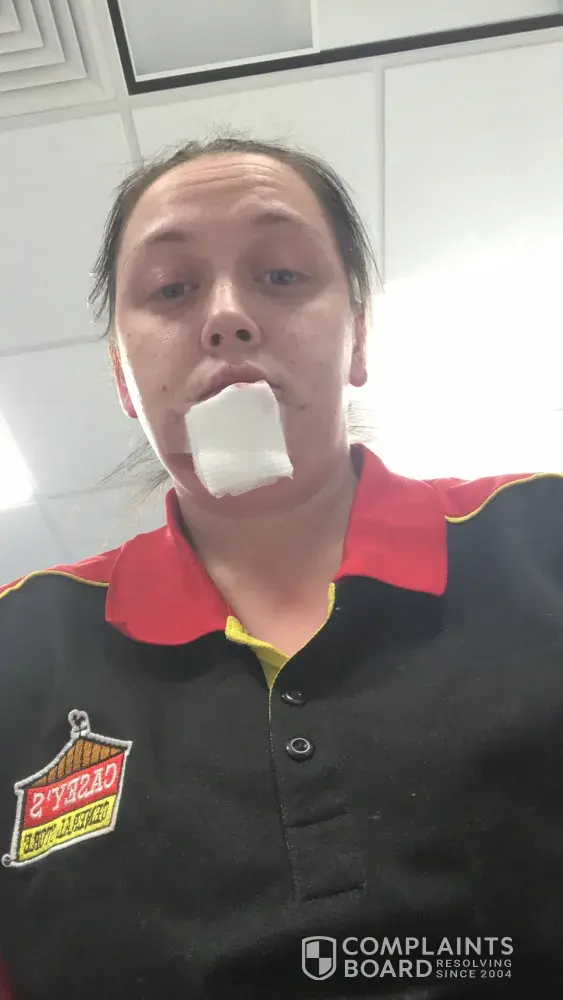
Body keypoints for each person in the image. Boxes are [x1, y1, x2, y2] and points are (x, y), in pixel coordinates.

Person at [1, 132, 562, 1000]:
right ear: (121, 377)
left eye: (281, 275)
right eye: (173, 289)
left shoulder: (542, 535)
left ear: (358, 338)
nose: (227, 317)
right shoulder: (18, 645)